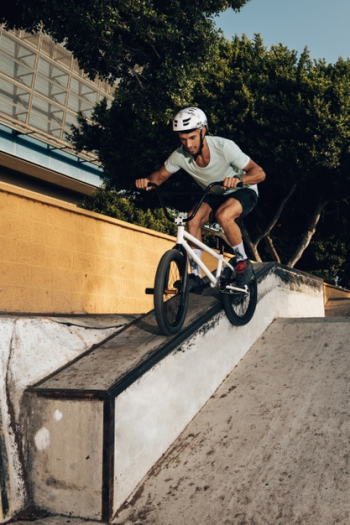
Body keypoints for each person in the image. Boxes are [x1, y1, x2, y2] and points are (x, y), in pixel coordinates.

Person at [136, 107, 266, 290]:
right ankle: (195, 276)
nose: (188, 145)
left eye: (192, 138)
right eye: (183, 139)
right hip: (215, 193)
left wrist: (239, 180)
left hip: (244, 190)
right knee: (192, 218)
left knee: (224, 215)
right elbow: (159, 177)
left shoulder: (224, 147)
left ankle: (243, 261)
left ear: (203, 131)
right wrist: (147, 182)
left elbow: (259, 173)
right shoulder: (180, 155)